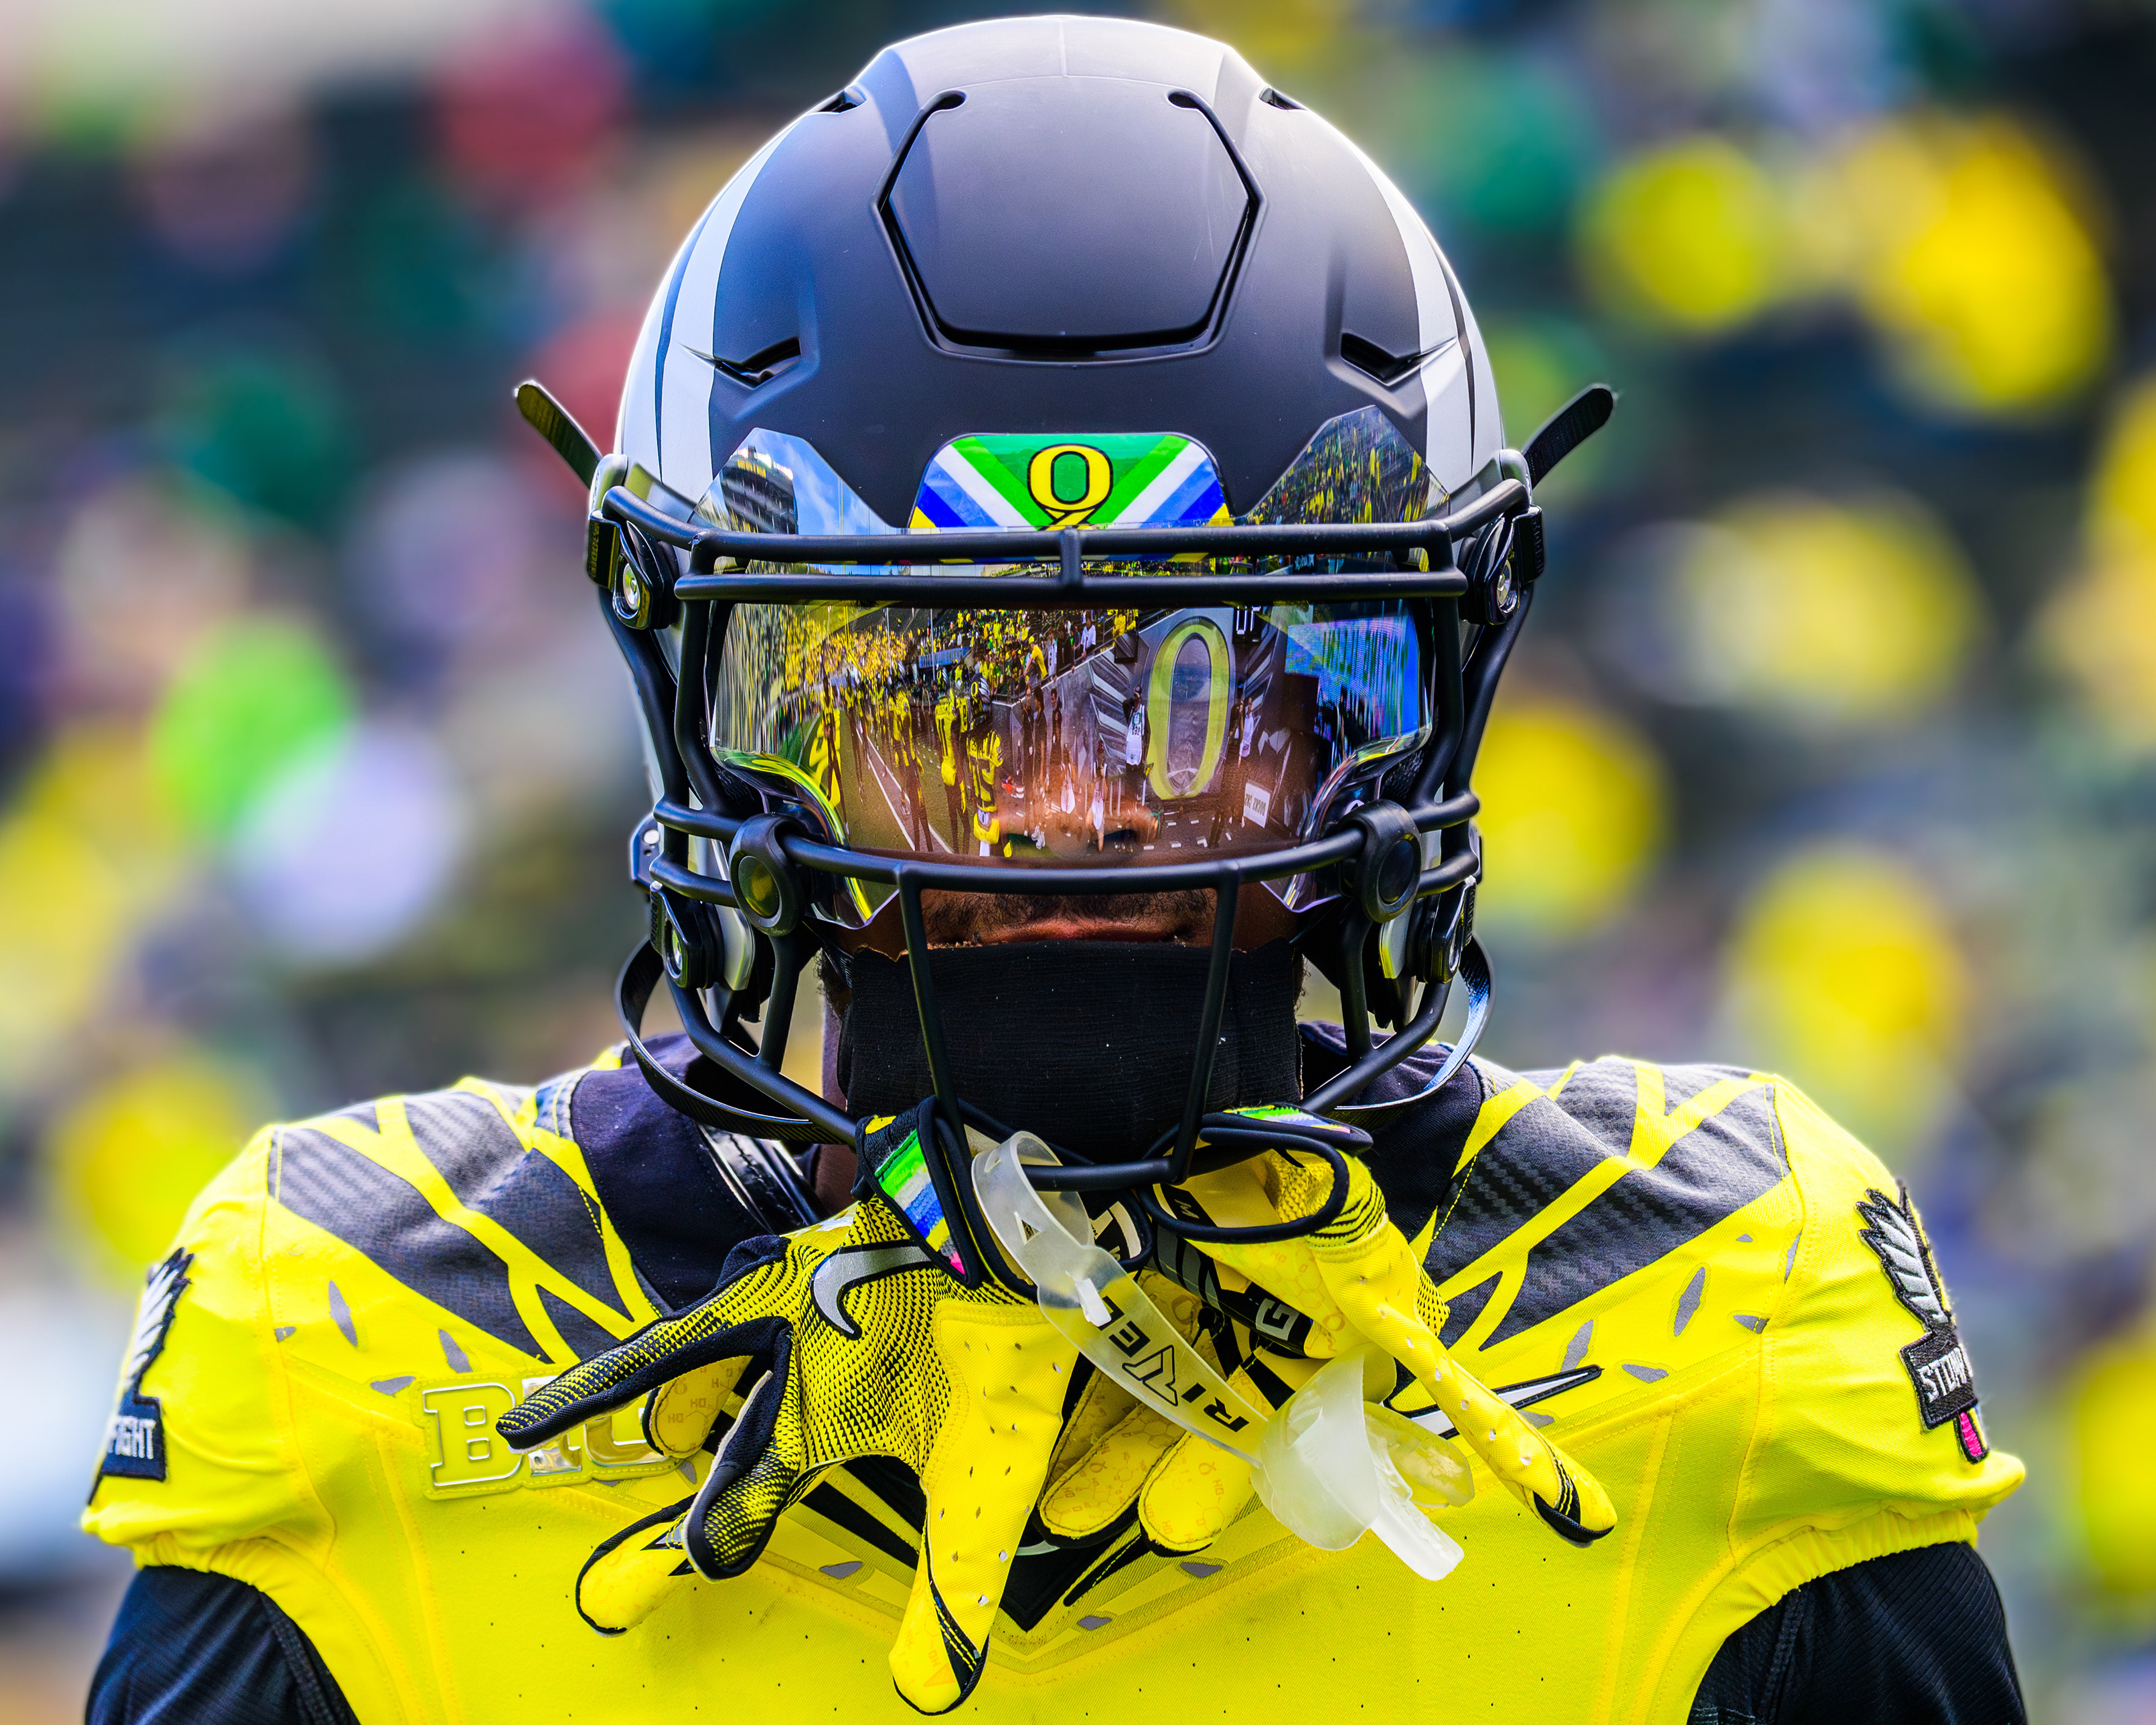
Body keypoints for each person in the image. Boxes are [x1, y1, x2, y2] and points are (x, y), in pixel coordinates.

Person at [81, 16, 2025, 1723]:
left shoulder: (1727, 1326)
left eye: (1199, 688)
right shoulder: (367, 1355)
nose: (1076, 806)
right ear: (734, 723)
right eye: (945, 694)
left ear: (1377, 714)